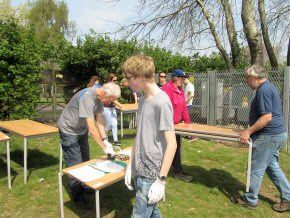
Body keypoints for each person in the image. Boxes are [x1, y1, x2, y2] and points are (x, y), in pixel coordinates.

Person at [230, 64, 290, 212]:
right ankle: (288, 197)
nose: (246, 81)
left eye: (247, 78)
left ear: (255, 77)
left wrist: (248, 132)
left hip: (268, 136)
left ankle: (250, 200)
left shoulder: (263, 91)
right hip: (277, 134)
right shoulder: (270, 87)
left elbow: (267, 117)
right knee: (272, 167)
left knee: (255, 168)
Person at [123, 54, 177, 217]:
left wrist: (161, 180)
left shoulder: (161, 102)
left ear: (139, 77)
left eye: (129, 78)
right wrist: (130, 164)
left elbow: (172, 143)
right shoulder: (144, 99)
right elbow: (139, 135)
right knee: (152, 211)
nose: (127, 82)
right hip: (140, 165)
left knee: (139, 214)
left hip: (152, 170)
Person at [58, 82, 120, 208]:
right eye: (112, 99)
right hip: (69, 130)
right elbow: (92, 127)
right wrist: (104, 148)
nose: (112, 102)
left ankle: (85, 186)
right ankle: (78, 197)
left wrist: (105, 140)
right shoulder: (88, 97)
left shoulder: (99, 98)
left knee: (85, 161)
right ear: (106, 94)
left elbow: (100, 120)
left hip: (80, 130)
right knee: (75, 165)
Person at [162, 69, 193, 182]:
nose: (184, 81)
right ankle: (175, 171)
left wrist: (188, 124)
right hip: (168, 126)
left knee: (176, 147)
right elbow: (164, 109)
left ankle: (177, 170)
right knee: (169, 147)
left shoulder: (180, 90)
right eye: (182, 78)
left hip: (177, 126)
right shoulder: (167, 89)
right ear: (176, 78)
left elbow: (184, 107)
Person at [102, 73, 124, 149]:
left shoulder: (114, 87)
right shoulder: (105, 87)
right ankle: (105, 139)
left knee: (114, 124)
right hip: (106, 108)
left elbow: (114, 98)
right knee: (108, 125)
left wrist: (118, 105)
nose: (115, 81)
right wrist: (121, 106)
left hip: (112, 108)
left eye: (116, 80)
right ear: (110, 79)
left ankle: (116, 141)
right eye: (114, 80)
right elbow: (111, 99)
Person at [183, 75, 198, 141]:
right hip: (186, 106)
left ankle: (193, 136)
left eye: (183, 79)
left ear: (186, 79)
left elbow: (192, 95)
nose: (182, 81)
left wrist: (185, 101)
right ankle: (189, 135)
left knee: (188, 121)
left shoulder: (190, 85)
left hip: (188, 106)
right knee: (186, 121)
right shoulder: (186, 86)